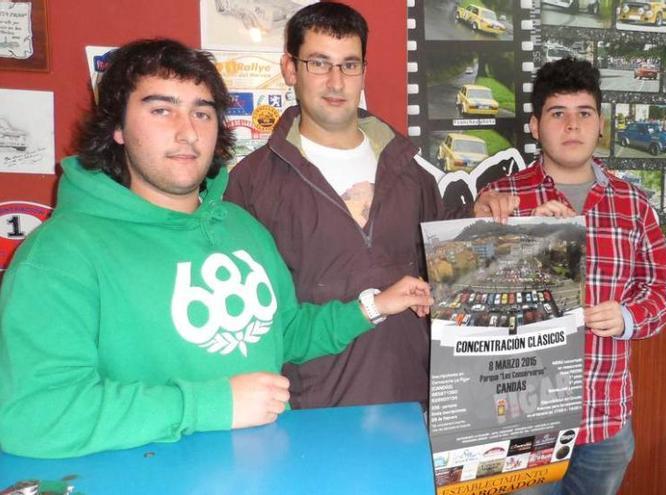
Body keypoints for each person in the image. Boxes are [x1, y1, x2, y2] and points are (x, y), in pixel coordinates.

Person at [0, 39, 432, 459]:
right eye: (161, 110)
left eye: (202, 113)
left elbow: (287, 333)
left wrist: (375, 306)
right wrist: (213, 405)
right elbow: (32, 416)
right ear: (117, 127)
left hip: (268, 471)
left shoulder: (241, 228)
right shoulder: (59, 254)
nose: (187, 132)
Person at [226, 2, 492, 409]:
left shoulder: (406, 169)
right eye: (319, 63)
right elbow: (252, 322)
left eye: (349, 65)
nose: (336, 82)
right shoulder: (252, 182)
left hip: (409, 401)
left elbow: (442, 257)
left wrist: (486, 217)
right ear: (289, 69)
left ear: (363, 72)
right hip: (313, 414)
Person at [477, 58, 666, 495]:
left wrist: (628, 316)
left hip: (606, 419)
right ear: (534, 125)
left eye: (584, 113)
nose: (572, 125)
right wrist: (516, 238)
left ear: (600, 124)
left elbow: (659, 291)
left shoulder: (633, 204)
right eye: (557, 113)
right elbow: (467, 304)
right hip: (522, 423)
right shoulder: (501, 202)